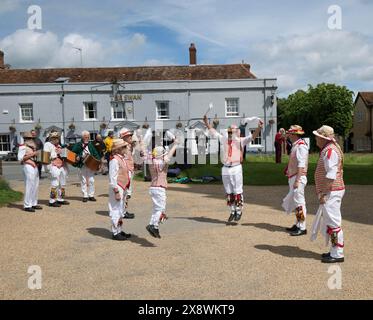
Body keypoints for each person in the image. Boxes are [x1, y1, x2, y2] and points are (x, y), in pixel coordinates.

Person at [203, 115, 263, 222]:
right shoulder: (224, 140)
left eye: (233, 130)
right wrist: (207, 123)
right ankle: (232, 210)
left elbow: (253, 137)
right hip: (225, 167)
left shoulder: (241, 141)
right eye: (230, 130)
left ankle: (239, 210)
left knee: (237, 190)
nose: (231, 132)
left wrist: (259, 128)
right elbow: (213, 132)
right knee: (228, 190)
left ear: (238, 132)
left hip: (236, 167)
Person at [310, 125, 345, 263]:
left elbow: (331, 174)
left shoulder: (330, 151)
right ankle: (334, 250)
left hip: (332, 191)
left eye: (317, 137)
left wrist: (324, 193)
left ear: (323, 138)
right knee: (331, 222)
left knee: (333, 223)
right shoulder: (329, 149)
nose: (316, 139)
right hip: (333, 190)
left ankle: (337, 253)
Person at [146, 141, 178, 238]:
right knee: (161, 208)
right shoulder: (160, 162)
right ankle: (153, 225)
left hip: (153, 187)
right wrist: (175, 144)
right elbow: (168, 157)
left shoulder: (151, 160)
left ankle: (153, 225)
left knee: (157, 208)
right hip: (159, 188)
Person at [282, 125, 309, 236]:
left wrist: (297, 180)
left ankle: (302, 226)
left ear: (294, 134)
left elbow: (301, 165)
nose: (288, 135)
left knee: (299, 203)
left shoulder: (301, 146)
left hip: (298, 177)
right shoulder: (297, 145)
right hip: (294, 176)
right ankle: (298, 223)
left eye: (290, 133)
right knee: (296, 202)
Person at [108, 139, 132, 241]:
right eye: (124, 147)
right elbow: (112, 177)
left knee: (121, 210)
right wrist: (116, 191)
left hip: (123, 187)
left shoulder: (122, 159)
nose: (126, 148)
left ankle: (119, 230)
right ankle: (115, 232)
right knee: (115, 210)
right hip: (117, 187)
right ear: (118, 149)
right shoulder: (114, 160)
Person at [71, 131, 101, 202]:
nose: (87, 138)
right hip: (82, 164)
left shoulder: (90, 145)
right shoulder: (78, 144)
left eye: (88, 137)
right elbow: (72, 153)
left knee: (91, 180)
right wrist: (78, 156)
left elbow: (95, 154)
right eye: (85, 137)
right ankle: (85, 195)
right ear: (82, 137)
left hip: (90, 164)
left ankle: (91, 195)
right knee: (83, 180)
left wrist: (98, 162)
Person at [17, 132, 42, 212]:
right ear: (26, 139)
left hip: (35, 166)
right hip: (28, 166)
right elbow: (20, 159)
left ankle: (34, 203)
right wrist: (33, 154)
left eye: (32, 138)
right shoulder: (22, 147)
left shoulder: (33, 146)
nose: (32, 140)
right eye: (30, 138)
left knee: (35, 185)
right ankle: (27, 205)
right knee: (29, 186)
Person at [44, 132, 70, 207]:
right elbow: (46, 156)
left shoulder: (59, 146)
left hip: (62, 166)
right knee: (55, 184)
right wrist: (56, 153)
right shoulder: (47, 145)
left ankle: (61, 199)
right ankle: (52, 201)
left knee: (63, 184)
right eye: (54, 138)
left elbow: (64, 155)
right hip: (53, 165)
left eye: (57, 138)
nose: (56, 139)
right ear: (51, 138)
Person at [118, 127, 136, 219]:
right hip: (125, 172)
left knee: (126, 193)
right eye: (128, 136)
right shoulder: (121, 146)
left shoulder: (128, 145)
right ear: (123, 137)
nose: (130, 137)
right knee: (125, 192)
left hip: (129, 170)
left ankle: (123, 211)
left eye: (130, 135)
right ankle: (122, 212)